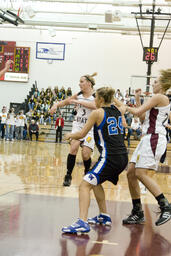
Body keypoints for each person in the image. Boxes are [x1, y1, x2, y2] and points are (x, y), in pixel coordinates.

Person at [61, 87, 128, 234]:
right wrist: (112, 97)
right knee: (95, 183)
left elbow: (81, 134)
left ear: (101, 100)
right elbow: (123, 105)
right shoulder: (118, 110)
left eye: (95, 97)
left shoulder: (97, 113)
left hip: (110, 158)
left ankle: (82, 222)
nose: (94, 100)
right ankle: (104, 215)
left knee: (84, 185)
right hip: (123, 157)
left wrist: (69, 135)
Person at [121, 69, 171, 226]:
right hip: (147, 137)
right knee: (130, 173)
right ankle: (137, 212)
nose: (152, 84)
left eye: (155, 82)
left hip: (154, 138)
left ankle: (166, 207)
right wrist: (136, 99)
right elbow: (141, 118)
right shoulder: (155, 98)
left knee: (141, 173)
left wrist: (124, 107)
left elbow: (135, 112)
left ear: (162, 84)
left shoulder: (160, 97)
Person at [50, 73, 97, 186]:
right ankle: (68, 175)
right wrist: (56, 105)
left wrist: (78, 102)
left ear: (89, 84)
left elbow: (95, 106)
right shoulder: (78, 95)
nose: (79, 84)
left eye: (82, 81)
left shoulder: (95, 96)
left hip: (89, 128)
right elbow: (66, 101)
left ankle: (87, 172)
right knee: (74, 147)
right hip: (78, 125)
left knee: (86, 154)